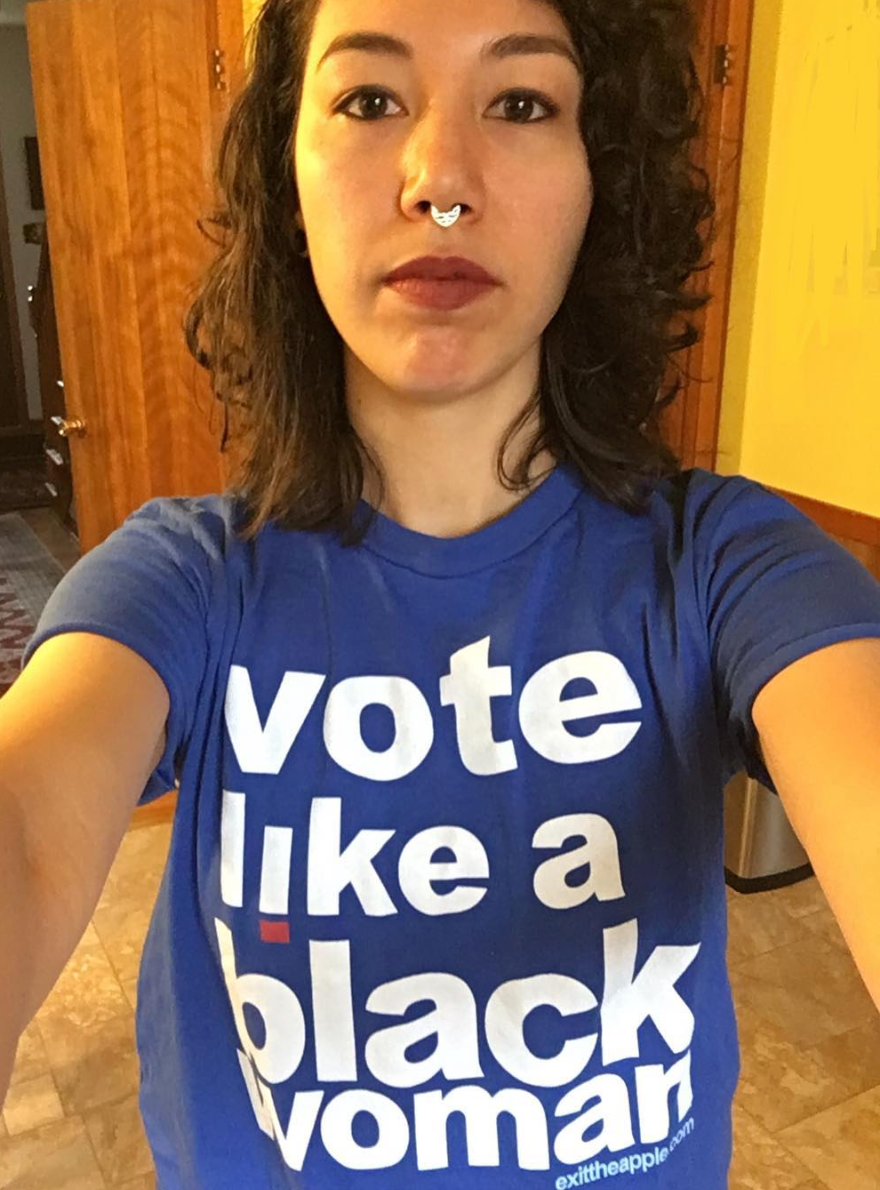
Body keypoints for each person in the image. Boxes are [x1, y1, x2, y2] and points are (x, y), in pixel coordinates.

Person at [1, 0, 879, 1186]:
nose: (442, 181)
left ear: (595, 180)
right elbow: (26, 840)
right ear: (289, 174)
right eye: (369, 100)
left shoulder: (723, 566)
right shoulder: (181, 581)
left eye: (521, 103)